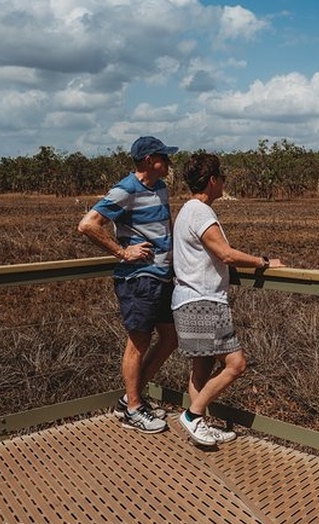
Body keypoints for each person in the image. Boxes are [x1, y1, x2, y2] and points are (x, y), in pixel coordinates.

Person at [172, 152, 284, 446]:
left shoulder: (186, 210)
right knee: (236, 364)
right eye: (222, 177)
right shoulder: (201, 212)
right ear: (212, 181)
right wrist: (263, 262)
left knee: (202, 368)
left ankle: (200, 425)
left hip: (187, 298)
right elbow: (225, 253)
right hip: (203, 301)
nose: (224, 182)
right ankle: (193, 416)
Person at [77, 136, 179, 434]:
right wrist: (122, 252)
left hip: (162, 276)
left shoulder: (160, 187)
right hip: (139, 280)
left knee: (170, 338)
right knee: (139, 342)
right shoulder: (126, 189)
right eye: (164, 157)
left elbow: (166, 227)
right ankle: (133, 409)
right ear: (149, 161)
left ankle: (130, 399)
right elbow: (88, 224)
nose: (169, 163)